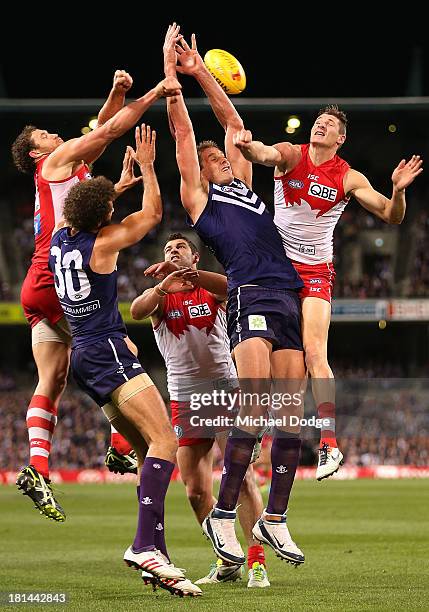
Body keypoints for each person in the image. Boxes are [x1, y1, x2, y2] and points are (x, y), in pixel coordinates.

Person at [163, 24, 306, 570]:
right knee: (253, 401)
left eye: (221, 158)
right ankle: (225, 512)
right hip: (249, 292)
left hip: (288, 289)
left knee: (291, 413)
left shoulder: (243, 185)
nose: (220, 159)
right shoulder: (200, 199)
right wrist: (175, 77)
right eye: (213, 159)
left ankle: (275, 519)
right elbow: (183, 133)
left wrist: (203, 72)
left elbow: (234, 124)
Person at [11, 71, 181, 521]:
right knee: (113, 343)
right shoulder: (56, 162)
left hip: (39, 281)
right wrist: (152, 93)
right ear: (36, 152)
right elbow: (107, 131)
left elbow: (100, 133)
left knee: (53, 379)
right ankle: (121, 444)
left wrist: (117, 94)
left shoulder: (71, 170)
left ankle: (39, 467)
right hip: (57, 277)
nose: (55, 133)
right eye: (45, 134)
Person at [48, 124, 201, 597]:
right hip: (110, 349)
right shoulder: (102, 244)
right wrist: (151, 170)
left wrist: (112, 187)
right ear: (102, 219)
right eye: (111, 209)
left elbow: (86, 207)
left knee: (143, 452)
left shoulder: (58, 237)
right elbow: (153, 214)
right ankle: (143, 545)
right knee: (165, 440)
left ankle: (159, 553)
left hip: (84, 356)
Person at [231, 110, 423, 480]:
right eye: (318, 120)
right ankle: (255, 429)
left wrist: (397, 191)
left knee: (315, 352)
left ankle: (329, 445)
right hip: (275, 269)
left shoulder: (348, 176)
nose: (321, 124)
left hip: (316, 272)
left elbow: (391, 215)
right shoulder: (291, 154)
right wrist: (247, 147)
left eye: (330, 124)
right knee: (263, 352)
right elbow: (265, 153)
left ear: (341, 139)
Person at [132, 232, 270, 588]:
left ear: (195, 258)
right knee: (195, 491)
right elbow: (136, 310)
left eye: (179, 248)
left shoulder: (209, 291)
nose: (172, 251)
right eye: (167, 249)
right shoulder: (162, 297)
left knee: (240, 479)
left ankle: (256, 563)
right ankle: (227, 561)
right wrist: (164, 285)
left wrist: (192, 276)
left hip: (224, 390)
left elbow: (234, 285)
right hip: (184, 398)